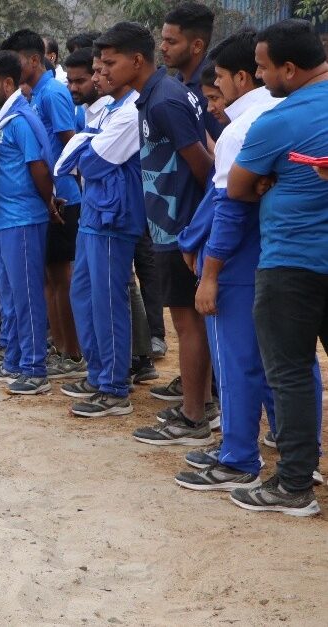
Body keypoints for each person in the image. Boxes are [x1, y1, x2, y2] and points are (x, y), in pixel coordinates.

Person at [225, 18, 328, 516]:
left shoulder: (277, 120)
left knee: (289, 373)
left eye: (264, 68)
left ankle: (293, 486)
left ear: (289, 68)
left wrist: (271, 184)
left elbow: (238, 187)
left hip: (292, 262)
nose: (261, 77)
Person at [173, 28, 283, 491]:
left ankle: (238, 457)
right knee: (281, 361)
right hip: (276, 254)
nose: (214, 88)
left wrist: (209, 268)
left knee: (236, 361)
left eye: (218, 78)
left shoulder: (242, 128)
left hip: (238, 261)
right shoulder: (284, 113)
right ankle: (295, 453)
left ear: (241, 77)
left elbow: (228, 206)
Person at [121, 18, 215, 446]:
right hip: (170, 225)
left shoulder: (164, 100)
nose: (103, 71)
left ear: (134, 60)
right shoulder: (160, 94)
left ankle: (194, 419)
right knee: (189, 321)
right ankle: (200, 404)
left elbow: (203, 165)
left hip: (180, 228)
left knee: (187, 322)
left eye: (109, 63)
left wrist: (197, 225)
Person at [52, 26, 148, 417]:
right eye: (97, 67)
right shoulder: (108, 108)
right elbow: (78, 156)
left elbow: (91, 162)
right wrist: (84, 146)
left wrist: (84, 147)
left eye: (106, 66)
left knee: (108, 301)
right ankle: (97, 373)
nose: (99, 75)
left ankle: (114, 387)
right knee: (84, 294)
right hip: (94, 212)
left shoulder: (131, 111)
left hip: (114, 216)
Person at [2, 29, 86, 381]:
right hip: (46, 197)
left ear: (34, 60)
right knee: (49, 279)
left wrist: (62, 185)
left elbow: (71, 142)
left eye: (16, 61)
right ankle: (59, 347)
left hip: (62, 197)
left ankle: (73, 354)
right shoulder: (34, 94)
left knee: (62, 279)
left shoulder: (52, 93)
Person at [0, 51, 58, 395]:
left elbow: (39, 168)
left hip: (21, 220)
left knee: (26, 295)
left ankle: (35, 368)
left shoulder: (21, 120)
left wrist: (48, 203)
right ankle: (15, 358)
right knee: (8, 294)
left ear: (8, 83)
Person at [162, 2, 223, 139]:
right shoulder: (173, 84)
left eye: (171, 42)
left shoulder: (214, 88)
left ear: (197, 46)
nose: (162, 47)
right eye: (163, 40)